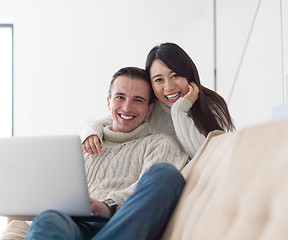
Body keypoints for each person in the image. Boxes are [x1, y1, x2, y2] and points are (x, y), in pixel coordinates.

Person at [25, 67, 188, 240]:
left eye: (138, 100)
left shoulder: (159, 145)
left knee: (166, 174)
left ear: (149, 109)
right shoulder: (81, 145)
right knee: (47, 219)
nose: (127, 107)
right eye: (120, 97)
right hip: (73, 227)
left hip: (121, 224)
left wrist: (108, 205)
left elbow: (154, 191)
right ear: (109, 102)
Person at [82, 42, 235, 159]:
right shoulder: (151, 108)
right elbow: (111, 120)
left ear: (189, 73)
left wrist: (178, 111)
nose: (169, 87)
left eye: (175, 75)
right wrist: (90, 133)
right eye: (159, 80)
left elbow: (203, 158)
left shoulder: (211, 106)